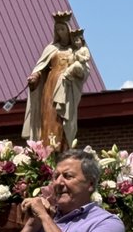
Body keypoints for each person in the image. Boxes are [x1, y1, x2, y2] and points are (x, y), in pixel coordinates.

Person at [22, 11, 89, 151]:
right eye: (57, 29)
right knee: (49, 118)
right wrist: (35, 77)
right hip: (50, 88)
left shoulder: (74, 50)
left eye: (62, 29)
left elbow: (84, 69)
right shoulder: (51, 49)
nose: (60, 32)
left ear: (68, 30)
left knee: (62, 120)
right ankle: (47, 151)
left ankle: (62, 150)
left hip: (66, 88)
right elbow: (41, 68)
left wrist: (76, 72)